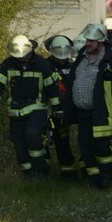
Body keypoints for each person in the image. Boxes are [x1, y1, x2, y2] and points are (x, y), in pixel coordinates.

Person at [68, 23, 112, 189]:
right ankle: (94, 179)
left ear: (101, 42)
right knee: (85, 147)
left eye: (92, 41)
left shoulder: (111, 59)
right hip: (83, 113)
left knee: (102, 147)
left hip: (103, 113)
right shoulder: (81, 58)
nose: (88, 43)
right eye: (87, 40)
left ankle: (107, 177)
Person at [0, 35, 61, 178]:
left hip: (37, 108)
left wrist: (57, 108)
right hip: (15, 111)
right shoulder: (7, 64)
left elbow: (52, 88)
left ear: (29, 50)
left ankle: (41, 170)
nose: (20, 58)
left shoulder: (41, 65)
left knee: (32, 135)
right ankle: (28, 174)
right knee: (19, 143)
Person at [43, 35, 80, 181]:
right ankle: (44, 177)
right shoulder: (45, 66)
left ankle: (70, 176)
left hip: (70, 109)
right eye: (59, 56)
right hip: (52, 111)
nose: (62, 59)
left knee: (68, 142)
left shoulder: (72, 66)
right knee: (51, 142)